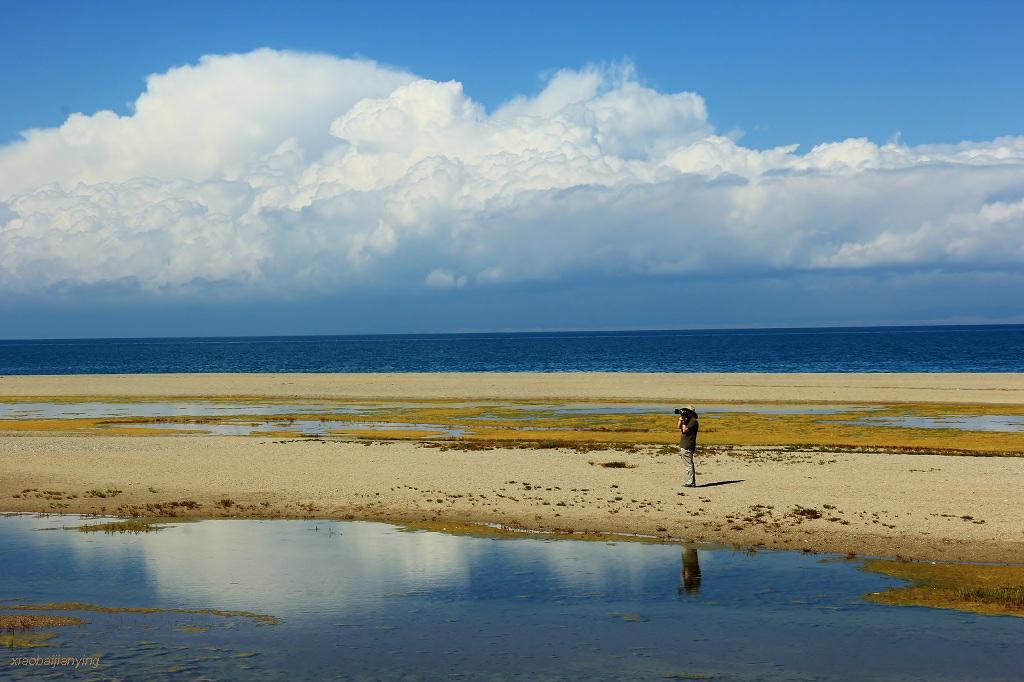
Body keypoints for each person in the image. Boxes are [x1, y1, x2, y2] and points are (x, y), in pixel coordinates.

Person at [678, 405, 699, 488]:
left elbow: (684, 430)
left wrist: (683, 421)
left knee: (688, 465)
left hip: (688, 445)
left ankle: (690, 482)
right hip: (685, 444)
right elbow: (678, 427)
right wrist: (681, 419)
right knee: (688, 464)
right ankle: (690, 481)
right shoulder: (688, 420)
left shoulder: (693, 421)